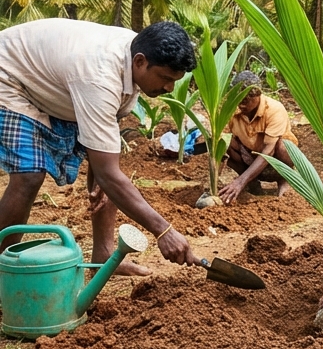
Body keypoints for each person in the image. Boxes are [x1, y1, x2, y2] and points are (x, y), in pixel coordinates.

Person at [0, 18, 199, 272]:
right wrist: (164, 231)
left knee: (107, 174)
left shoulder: (132, 59)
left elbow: (104, 160)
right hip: (8, 77)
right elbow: (108, 174)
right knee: (29, 177)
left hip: (50, 82)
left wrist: (105, 177)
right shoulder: (99, 75)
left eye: (175, 80)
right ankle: (3, 267)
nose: (169, 88)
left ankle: (104, 255)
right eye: (165, 78)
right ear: (140, 62)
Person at [218, 70, 298, 204]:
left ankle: (283, 180)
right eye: (239, 99)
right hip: (248, 154)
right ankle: (253, 183)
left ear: (258, 96)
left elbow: (269, 151)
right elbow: (220, 142)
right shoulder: (232, 109)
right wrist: (212, 183)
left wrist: (240, 182)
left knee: (283, 146)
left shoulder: (274, 109)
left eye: (246, 100)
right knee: (224, 142)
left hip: (273, 159)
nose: (241, 104)